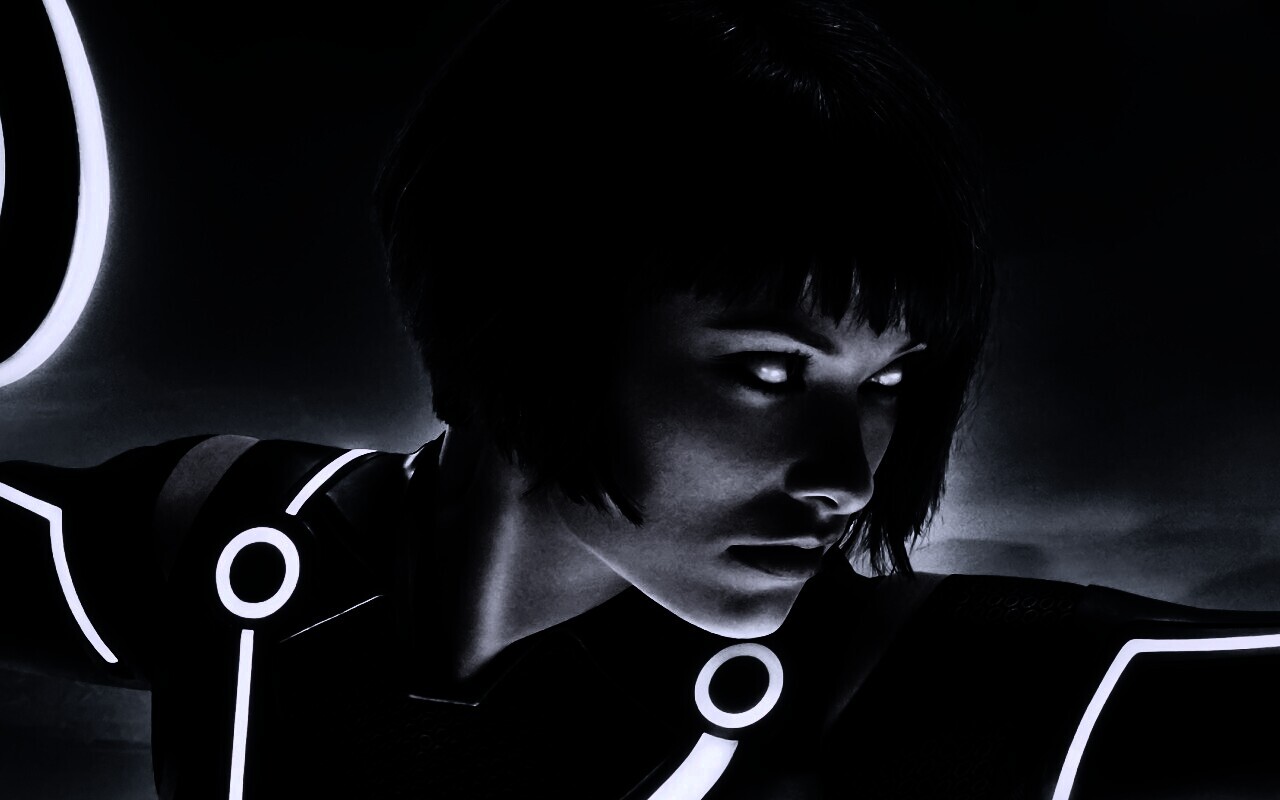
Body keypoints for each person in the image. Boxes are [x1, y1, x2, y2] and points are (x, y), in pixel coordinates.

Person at [4, 1, 1280, 798]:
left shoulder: (905, 689)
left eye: (888, 381)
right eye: (767, 369)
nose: (847, 472)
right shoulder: (244, 544)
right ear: (521, 314)